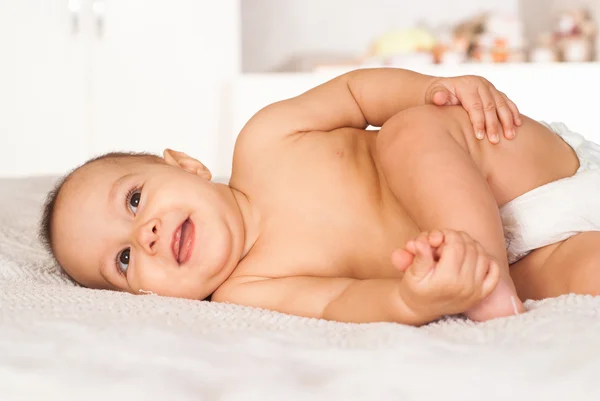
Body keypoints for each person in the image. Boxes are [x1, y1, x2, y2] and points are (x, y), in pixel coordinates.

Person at [39, 68, 600, 326]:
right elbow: (337, 304)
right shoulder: (248, 291)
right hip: (522, 253)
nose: (147, 235)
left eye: (134, 200)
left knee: (411, 132)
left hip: (504, 163)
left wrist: (433, 91)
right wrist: (410, 301)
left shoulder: (264, 140)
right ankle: (492, 281)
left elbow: (357, 94)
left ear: (185, 165)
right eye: (124, 260)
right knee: (575, 274)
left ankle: (486, 284)